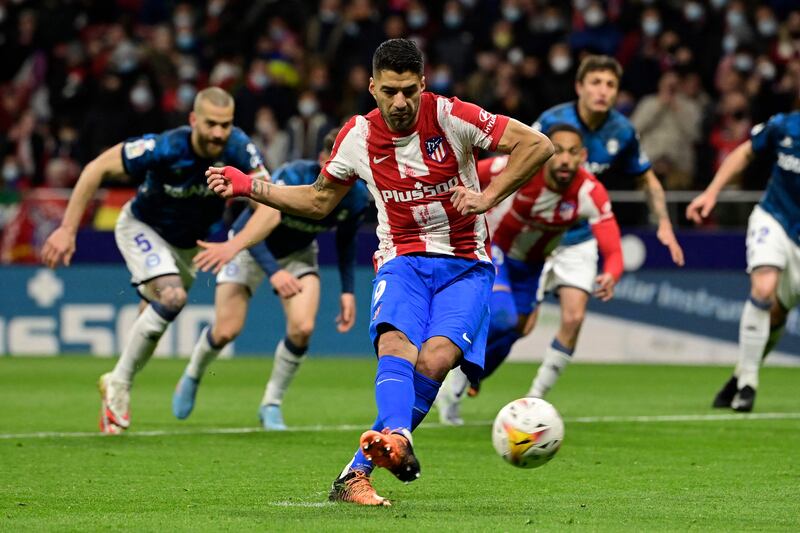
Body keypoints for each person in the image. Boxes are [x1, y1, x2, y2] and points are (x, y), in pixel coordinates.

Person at [206, 38, 554, 506]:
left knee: (434, 360)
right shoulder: (357, 136)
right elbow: (317, 200)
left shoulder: (454, 117)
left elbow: (537, 145)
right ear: (372, 87)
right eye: (390, 91)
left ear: (423, 85)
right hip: (402, 260)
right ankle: (395, 440)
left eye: (409, 90)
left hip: (466, 264)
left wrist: (488, 197)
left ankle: (358, 472)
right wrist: (251, 186)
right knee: (395, 344)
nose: (400, 102)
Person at [447, 55, 683, 411]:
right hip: (522, 233)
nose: (603, 91)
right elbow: (514, 160)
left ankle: (536, 404)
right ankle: (462, 373)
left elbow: (645, 178)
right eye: (596, 83)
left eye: (610, 85)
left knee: (569, 317)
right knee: (517, 324)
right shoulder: (552, 122)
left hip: (573, 229)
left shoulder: (621, 132)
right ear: (580, 87)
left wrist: (663, 220)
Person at [40, 87, 269, 434]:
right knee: (172, 297)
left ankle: (116, 383)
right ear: (193, 120)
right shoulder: (164, 147)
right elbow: (95, 169)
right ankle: (119, 385)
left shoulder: (240, 149)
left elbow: (269, 206)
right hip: (143, 227)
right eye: (211, 124)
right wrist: (68, 229)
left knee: (152, 317)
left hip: (190, 248)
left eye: (226, 124)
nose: (219, 133)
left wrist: (235, 244)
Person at [171, 128, 369, 430]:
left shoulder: (356, 197)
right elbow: (259, 224)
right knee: (226, 330)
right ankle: (194, 372)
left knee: (303, 328)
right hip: (249, 246)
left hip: (298, 253)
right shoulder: (291, 176)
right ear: (322, 160)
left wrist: (348, 291)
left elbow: (346, 241)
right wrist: (274, 274)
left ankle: (271, 404)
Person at [437, 124, 624, 424]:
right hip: (495, 249)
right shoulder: (522, 169)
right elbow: (469, 172)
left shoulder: (589, 192)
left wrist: (611, 273)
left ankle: (463, 380)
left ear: (583, 156)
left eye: (572, 153)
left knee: (518, 328)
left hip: (532, 266)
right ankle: (449, 377)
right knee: (503, 317)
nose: (564, 159)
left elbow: (613, 247)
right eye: (558, 151)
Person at [686, 110, 800, 412]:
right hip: (774, 218)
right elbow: (745, 152)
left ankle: (739, 375)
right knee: (763, 289)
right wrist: (712, 192)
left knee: (776, 315)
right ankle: (748, 383)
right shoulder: (783, 125)